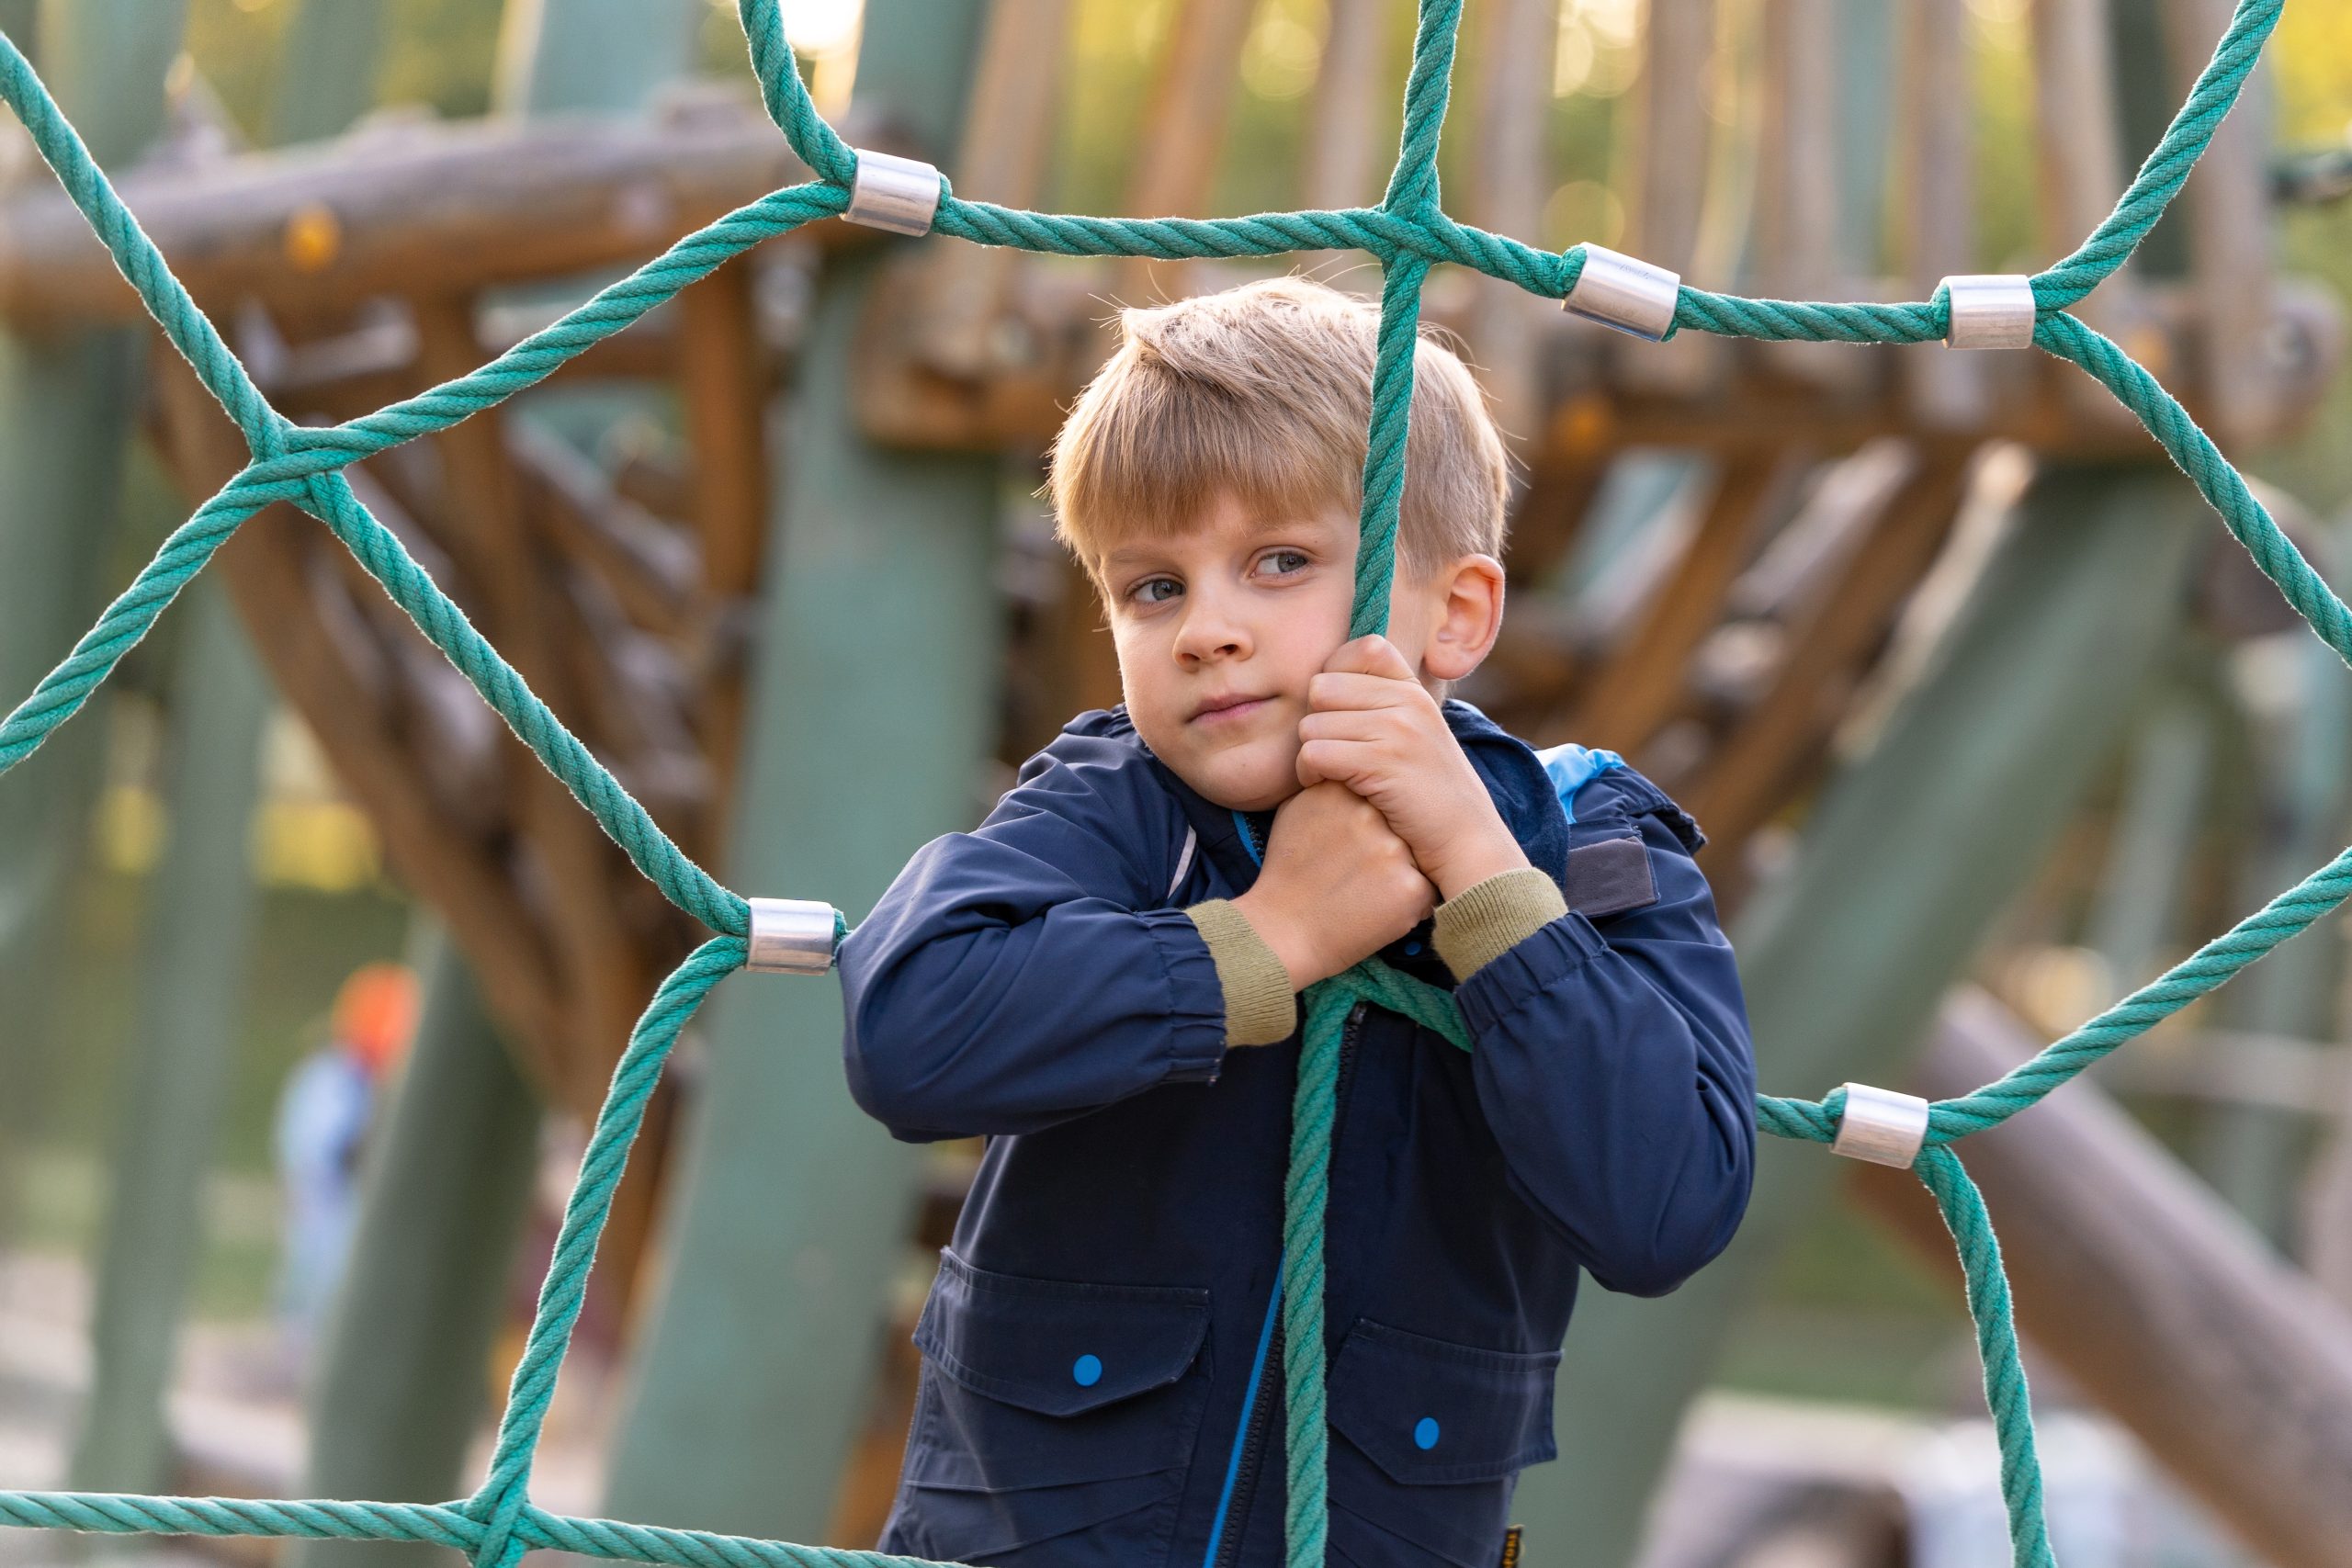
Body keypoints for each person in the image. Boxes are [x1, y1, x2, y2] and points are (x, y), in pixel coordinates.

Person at [839, 276, 1756, 1568]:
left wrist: (1481, 874)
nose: (1207, 629)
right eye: (1152, 586)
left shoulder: (1583, 836)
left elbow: (1668, 1206)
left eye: (1280, 562)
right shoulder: (1121, 805)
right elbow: (907, 1027)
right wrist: (1264, 938)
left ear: (1457, 612)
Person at [272, 961, 417, 1353]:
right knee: (320, 1288)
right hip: (329, 1219)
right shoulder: (329, 1080)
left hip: (358, 1235)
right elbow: (333, 1153)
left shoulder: (379, 1082)